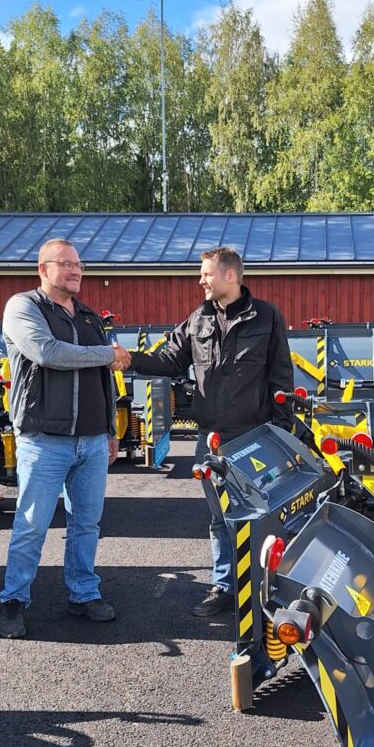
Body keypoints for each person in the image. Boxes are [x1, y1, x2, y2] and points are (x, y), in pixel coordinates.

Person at [128, 246, 293, 617]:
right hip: (211, 440)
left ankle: (268, 587)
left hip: (255, 437)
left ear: (230, 276)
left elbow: (281, 377)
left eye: (206, 273)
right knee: (220, 518)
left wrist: (280, 432)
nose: (200, 280)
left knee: (259, 515)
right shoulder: (198, 320)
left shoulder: (266, 318)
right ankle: (224, 587)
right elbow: (169, 359)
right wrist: (132, 359)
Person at [0, 237, 130, 638]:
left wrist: (109, 430)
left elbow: (104, 381)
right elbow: (50, 353)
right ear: (43, 269)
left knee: (86, 524)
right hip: (44, 439)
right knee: (32, 525)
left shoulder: (89, 317)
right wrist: (109, 353)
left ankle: (83, 593)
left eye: (79, 265)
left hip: (91, 441)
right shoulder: (24, 308)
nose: (76, 271)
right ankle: (13, 600)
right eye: (67, 264)